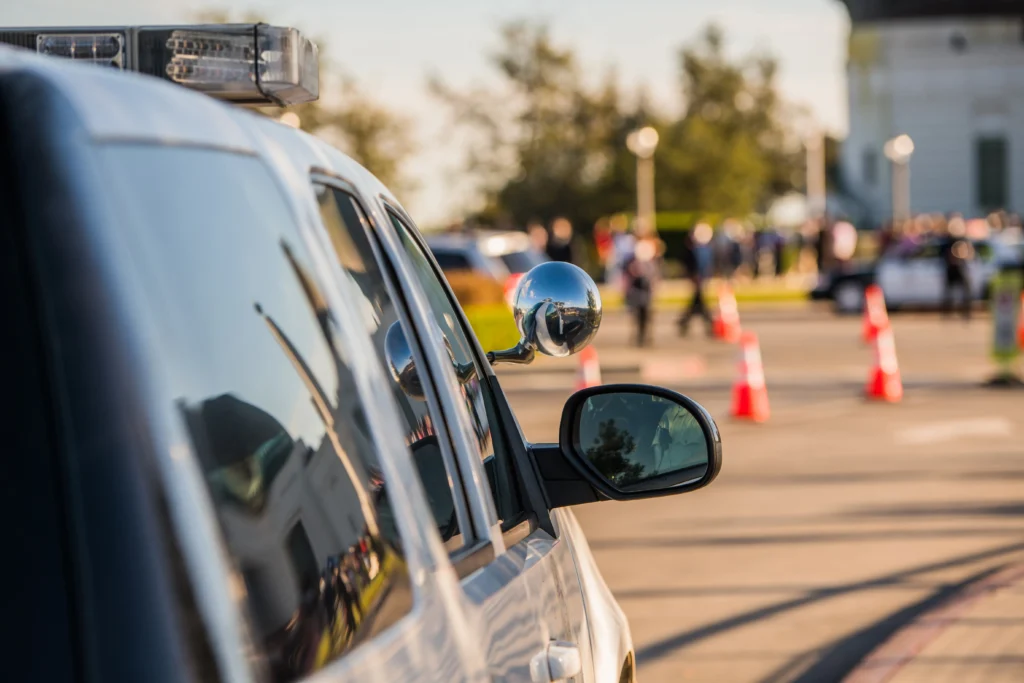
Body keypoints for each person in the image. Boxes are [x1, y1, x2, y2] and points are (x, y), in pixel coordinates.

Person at [677, 227, 713, 336]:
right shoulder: (694, 249)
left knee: (697, 304)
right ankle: (709, 324)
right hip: (698, 279)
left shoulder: (704, 249)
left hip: (701, 279)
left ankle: (684, 322)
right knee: (700, 304)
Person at [625, 236, 658, 347]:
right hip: (637, 295)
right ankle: (639, 337)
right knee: (637, 318)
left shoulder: (651, 264)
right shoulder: (633, 263)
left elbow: (653, 278)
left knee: (646, 318)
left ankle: (646, 337)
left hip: (646, 295)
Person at [940, 217, 973, 320]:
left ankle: (966, 313)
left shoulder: (964, 239)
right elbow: (944, 254)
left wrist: (963, 254)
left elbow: (970, 253)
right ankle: (947, 313)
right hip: (951, 269)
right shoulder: (947, 240)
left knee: (966, 292)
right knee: (948, 293)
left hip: (962, 268)